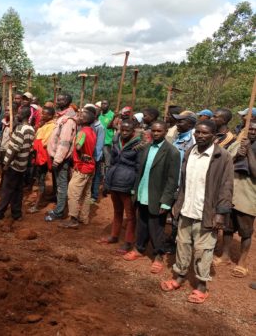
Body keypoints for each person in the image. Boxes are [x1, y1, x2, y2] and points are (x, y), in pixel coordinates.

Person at [161, 120, 234, 305]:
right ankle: (179, 276)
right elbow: (184, 182)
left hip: (207, 212)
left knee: (203, 250)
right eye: (198, 132)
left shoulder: (222, 156)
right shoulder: (189, 152)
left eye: (205, 133)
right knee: (182, 244)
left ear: (214, 135)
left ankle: (202, 285)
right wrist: (177, 205)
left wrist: (221, 213)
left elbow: (227, 186)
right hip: (187, 208)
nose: (200, 136)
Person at [123, 121, 181, 274]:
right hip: (143, 192)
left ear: (165, 131)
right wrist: (135, 191)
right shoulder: (147, 148)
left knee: (157, 227)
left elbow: (172, 180)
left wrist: (166, 201)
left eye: (159, 131)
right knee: (142, 223)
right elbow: (140, 171)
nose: (155, 133)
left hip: (157, 196)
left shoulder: (172, 152)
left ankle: (159, 255)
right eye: (153, 131)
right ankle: (140, 248)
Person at [213, 120, 256, 278]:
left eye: (254, 129)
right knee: (228, 228)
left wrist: (249, 151)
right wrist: (239, 154)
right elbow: (227, 164)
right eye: (249, 129)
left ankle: (242, 263)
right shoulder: (238, 144)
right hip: (231, 192)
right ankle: (225, 256)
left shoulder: (250, 146)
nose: (251, 131)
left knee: (246, 232)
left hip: (249, 195)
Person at [99, 119, 142, 252]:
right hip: (114, 181)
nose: (124, 132)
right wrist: (107, 182)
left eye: (127, 130)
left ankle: (128, 242)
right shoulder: (116, 140)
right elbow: (111, 162)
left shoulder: (140, 145)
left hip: (128, 183)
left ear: (133, 131)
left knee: (130, 216)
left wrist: (135, 187)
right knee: (117, 212)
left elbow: (139, 167)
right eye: (122, 129)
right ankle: (114, 236)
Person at [0, 106, 35, 222]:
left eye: (18, 113)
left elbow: (15, 149)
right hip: (22, 165)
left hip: (14, 165)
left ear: (23, 115)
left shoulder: (20, 129)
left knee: (7, 190)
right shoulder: (31, 129)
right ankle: (16, 214)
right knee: (17, 191)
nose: (16, 115)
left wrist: (6, 164)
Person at [62, 109, 97, 229]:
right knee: (86, 193)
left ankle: (73, 219)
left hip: (82, 167)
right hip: (91, 167)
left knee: (73, 192)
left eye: (81, 115)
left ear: (85, 120)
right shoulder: (92, 131)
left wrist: (80, 153)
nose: (78, 116)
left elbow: (78, 145)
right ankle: (84, 217)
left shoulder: (82, 132)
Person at [45, 93, 77, 222]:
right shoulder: (62, 117)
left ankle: (59, 212)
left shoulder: (68, 120)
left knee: (61, 185)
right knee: (59, 184)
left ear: (68, 101)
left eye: (61, 99)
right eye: (57, 99)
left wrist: (57, 160)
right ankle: (59, 209)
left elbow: (64, 142)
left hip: (61, 159)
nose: (58, 101)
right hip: (58, 157)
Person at [29, 106, 55, 213]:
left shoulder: (52, 126)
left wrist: (34, 144)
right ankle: (40, 200)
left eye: (44, 114)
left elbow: (44, 142)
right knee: (39, 179)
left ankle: (37, 206)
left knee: (41, 180)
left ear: (50, 115)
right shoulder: (45, 125)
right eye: (42, 113)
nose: (42, 115)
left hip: (43, 157)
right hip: (39, 155)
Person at [86, 104, 105, 203]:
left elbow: (99, 144)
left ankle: (94, 195)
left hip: (96, 156)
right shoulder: (90, 125)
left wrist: (95, 157)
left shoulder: (100, 127)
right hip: (89, 155)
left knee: (96, 175)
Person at [98, 100, 115, 174]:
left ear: (109, 105)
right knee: (99, 161)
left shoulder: (112, 115)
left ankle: (107, 177)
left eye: (105, 104)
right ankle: (100, 177)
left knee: (107, 162)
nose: (103, 105)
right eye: (102, 104)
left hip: (107, 141)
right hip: (98, 141)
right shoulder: (99, 114)